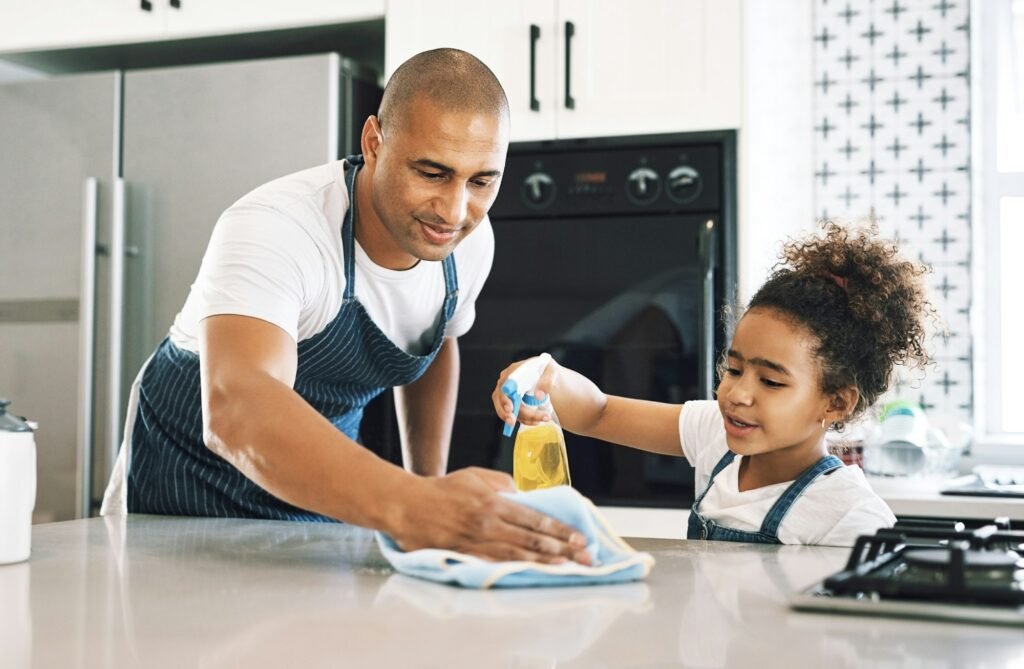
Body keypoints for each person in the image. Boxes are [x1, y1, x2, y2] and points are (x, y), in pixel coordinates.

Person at [101, 48, 591, 565]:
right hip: (180, 513)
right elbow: (237, 407)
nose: (454, 210)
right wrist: (414, 504)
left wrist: (430, 490)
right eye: (431, 173)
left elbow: (435, 340)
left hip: (324, 501)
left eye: (482, 181)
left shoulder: (470, 242)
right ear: (374, 141)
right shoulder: (277, 226)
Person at [493, 222, 935, 547]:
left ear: (836, 403)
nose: (738, 393)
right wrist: (544, 374)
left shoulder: (850, 515)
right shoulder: (717, 434)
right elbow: (599, 411)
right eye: (735, 369)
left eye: (771, 381)